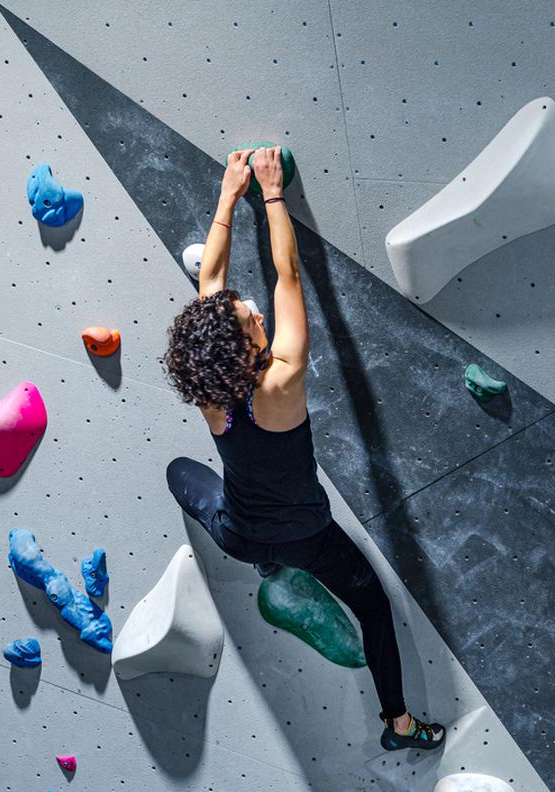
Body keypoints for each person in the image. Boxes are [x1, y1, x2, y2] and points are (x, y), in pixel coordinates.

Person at [162, 146, 444, 752]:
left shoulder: (208, 387)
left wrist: (226, 197)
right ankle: (399, 724)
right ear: (249, 348)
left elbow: (210, 283)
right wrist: (271, 193)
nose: (256, 311)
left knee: (179, 473)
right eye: (251, 319)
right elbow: (288, 278)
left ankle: (268, 569)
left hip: (239, 534)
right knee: (373, 608)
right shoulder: (281, 382)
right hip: (310, 538)